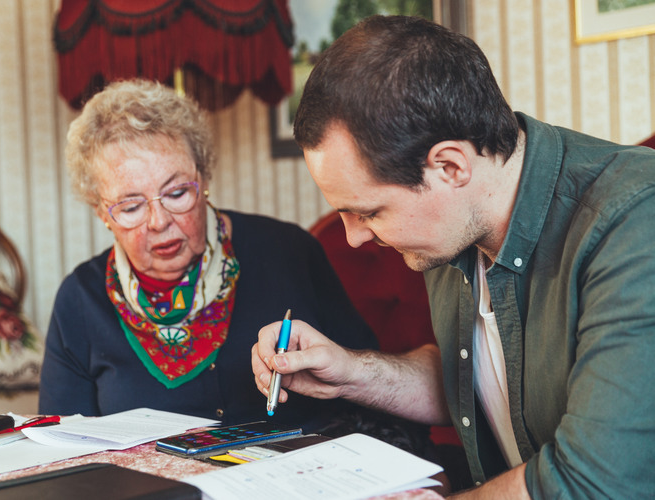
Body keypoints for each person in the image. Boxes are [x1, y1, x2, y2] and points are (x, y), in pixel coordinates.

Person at [251, 15, 655, 499]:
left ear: (450, 165)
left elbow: (592, 482)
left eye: (369, 212)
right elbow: (476, 380)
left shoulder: (632, 222)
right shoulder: (452, 227)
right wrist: (351, 374)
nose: (353, 238)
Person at [37, 78, 387, 435]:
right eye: (130, 206)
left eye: (176, 193)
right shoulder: (80, 300)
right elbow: (62, 451)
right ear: (102, 213)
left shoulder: (288, 251)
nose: (159, 222)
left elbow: (370, 391)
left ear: (203, 179)